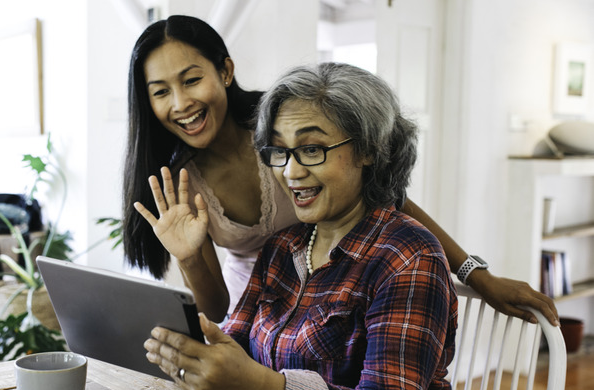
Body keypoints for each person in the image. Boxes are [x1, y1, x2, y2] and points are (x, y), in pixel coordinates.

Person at [123, 14, 558, 325]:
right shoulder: (176, 183)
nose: (180, 103)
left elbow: (393, 199)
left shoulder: (284, 123)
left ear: (226, 71)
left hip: (342, 293)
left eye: (191, 80)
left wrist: (477, 277)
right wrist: (189, 259)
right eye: (161, 92)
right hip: (264, 313)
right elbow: (219, 312)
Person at [144, 62, 457, 390]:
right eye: (279, 150)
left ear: (368, 150)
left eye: (311, 149)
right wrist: (190, 342)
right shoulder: (283, 246)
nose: (290, 172)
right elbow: (236, 345)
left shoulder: (408, 258)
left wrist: (257, 386)